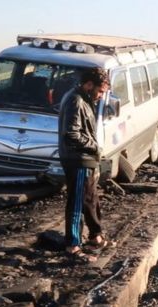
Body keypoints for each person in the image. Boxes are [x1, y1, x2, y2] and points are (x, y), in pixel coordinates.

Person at [58, 68, 114, 263]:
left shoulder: (84, 98)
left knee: (90, 198)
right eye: (100, 91)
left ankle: (95, 237)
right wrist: (95, 148)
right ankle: (73, 246)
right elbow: (71, 134)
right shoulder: (76, 100)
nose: (100, 96)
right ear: (89, 84)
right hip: (78, 159)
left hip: (84, 158)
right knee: (76, 202)